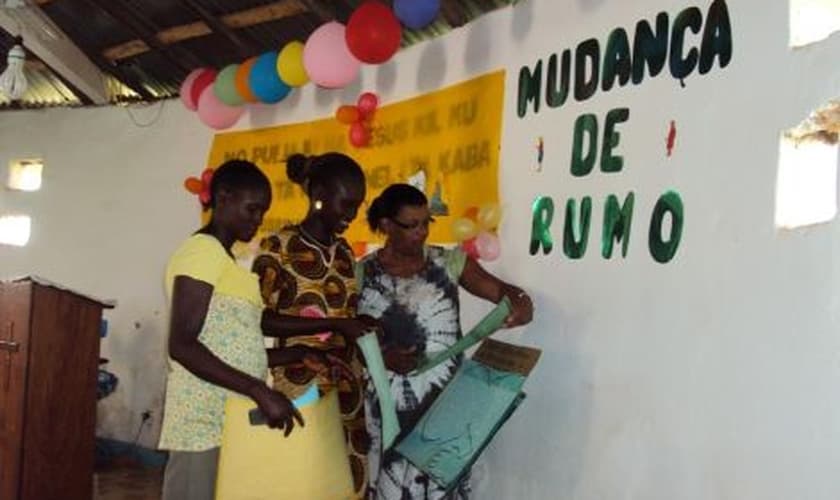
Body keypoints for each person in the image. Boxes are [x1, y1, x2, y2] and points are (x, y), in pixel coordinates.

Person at [357, 184, 534, 500]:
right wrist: (383, 358)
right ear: (386, 226)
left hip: (444, 404)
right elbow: (344, 339)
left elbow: (502, 291)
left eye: (427, 222)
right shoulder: (361, 275)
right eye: (412, 225)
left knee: (442, 487)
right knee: (390, 486)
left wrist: (520, 301)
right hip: (387, 408)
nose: (422, 232)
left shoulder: (450, 263)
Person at [159, 159, 303, 500]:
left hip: (228, 419)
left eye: (263, 211)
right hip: (202, 423)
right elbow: (182, 345)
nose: (258, 220)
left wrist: (296, 353)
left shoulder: (227, 262)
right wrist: (259, 390)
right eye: (252, 209)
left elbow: (233, 344)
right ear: (223, 197)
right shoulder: (202, 252)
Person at [252, 152, 377, 498]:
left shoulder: (345, 253)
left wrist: (359, 323)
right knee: (305, 483)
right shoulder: (277, 248)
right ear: (318, 192)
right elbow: (258, 320)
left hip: (348, 392)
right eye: (346, 204)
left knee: (348, 482)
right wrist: (335, 325)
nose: (352, 215)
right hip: (300, 389)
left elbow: (343, 316)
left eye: (358, 205)